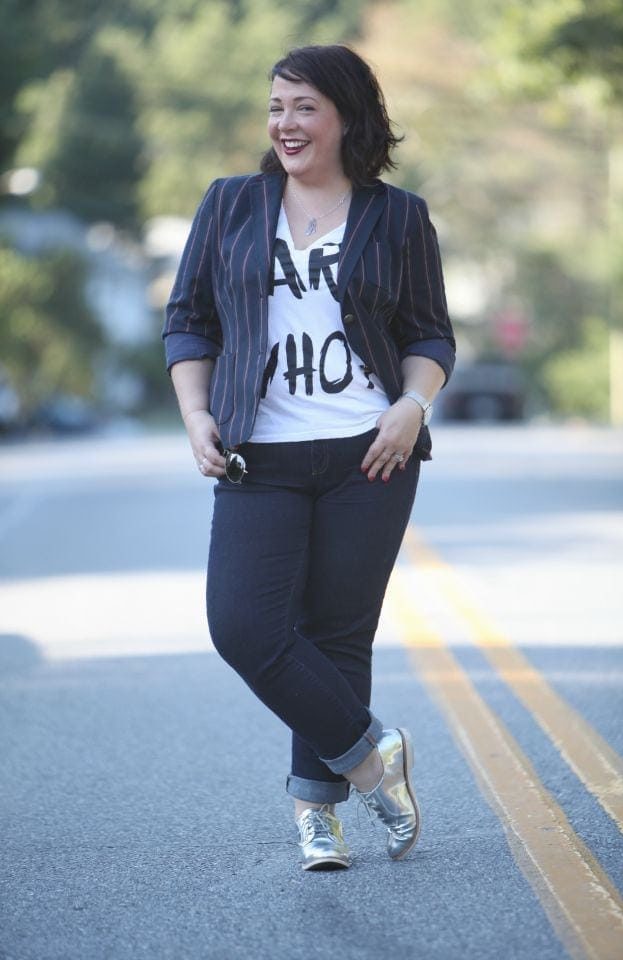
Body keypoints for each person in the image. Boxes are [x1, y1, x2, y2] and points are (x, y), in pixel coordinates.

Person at [163, 44, 455, 871]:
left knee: (337, 633)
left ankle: (318, 819)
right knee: (245, 625)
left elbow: (430, 332)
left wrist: (412, 406)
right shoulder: (230, 206)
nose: (284, 124)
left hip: (371, 451)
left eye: (304, 107)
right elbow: (190, 320)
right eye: (276, 107)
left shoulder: (398, 216)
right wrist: (195, 414)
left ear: (346, 117)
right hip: (261, 453)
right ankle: (374, 758)